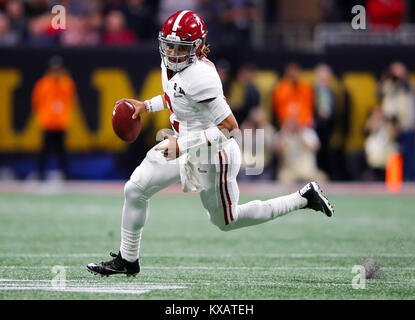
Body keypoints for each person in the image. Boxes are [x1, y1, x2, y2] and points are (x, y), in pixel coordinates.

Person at [87, 10, 334, 277]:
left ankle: (303, 198)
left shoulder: (201, 77)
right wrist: (146, 106)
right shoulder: (173, 65)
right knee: (135, 189)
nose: (171, 52)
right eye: (168, 45)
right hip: (183, 144)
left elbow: (230, 128)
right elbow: (175, 94)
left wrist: (182, 146)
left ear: (197, 47)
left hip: (214, 155)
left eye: (179, 47)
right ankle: (128, 258)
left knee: (227, 221)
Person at [31, 56, 76, 180]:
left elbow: (71, 100)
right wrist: (43, 116)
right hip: (48, 122)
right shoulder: (43, 84)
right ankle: (41, 173)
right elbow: (36, 102)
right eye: (54, 69)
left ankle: (65, 174)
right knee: (44, 150)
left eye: (58, 69)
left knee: (62, 151)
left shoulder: (67, 83)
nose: (56, 72)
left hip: (61, 122)